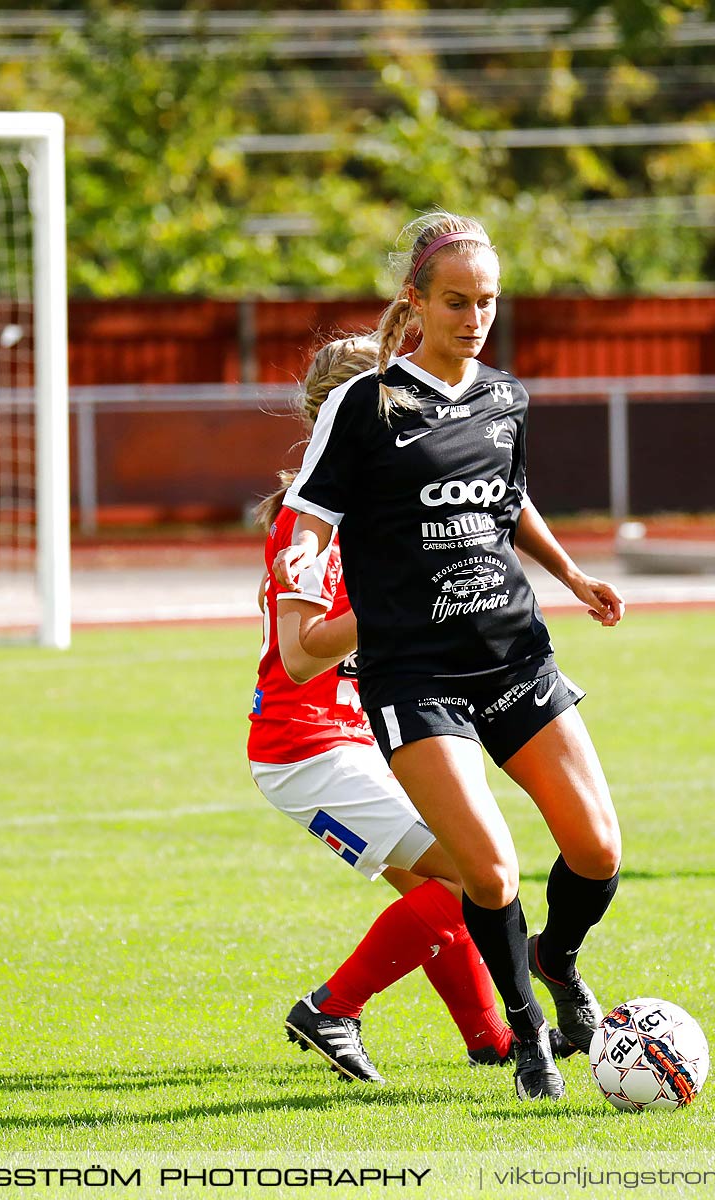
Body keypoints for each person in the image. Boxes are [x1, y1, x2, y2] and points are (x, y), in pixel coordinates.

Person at [274, 213, 626, 1100]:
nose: (475, 318)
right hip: (416, 674)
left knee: (596, 849)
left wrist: (575, 575)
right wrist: (306, 569)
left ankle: (561, 958)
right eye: (458, 302)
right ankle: (530, 1039)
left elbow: (509, 500)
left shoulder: (507, 399)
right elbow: (311, 511)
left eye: (488, 303)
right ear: (418, 304)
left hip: (513, 654)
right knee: (490, 868)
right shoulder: (369, 403)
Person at [248, 334, 521, 1083]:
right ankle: (332, 1009)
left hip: (354, 736)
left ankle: (491, 1040)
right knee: (470, 877)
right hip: (306, 749)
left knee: (450, 887)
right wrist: (394, 597)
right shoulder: (303, 525)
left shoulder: (379, 513)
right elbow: (301, 653)